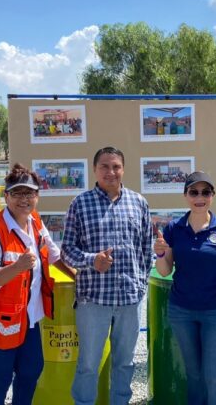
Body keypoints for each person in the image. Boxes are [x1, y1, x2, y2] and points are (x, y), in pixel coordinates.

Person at [0, 164, 76, 405]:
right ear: (5, 196)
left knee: (31, 370)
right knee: (0, 378)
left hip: (27, 318)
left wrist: (77, 277)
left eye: (29, 193)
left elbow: (54, 254)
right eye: (17, 193)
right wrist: (17, 267)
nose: (23, 199)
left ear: (37, 196)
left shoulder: (35, 221)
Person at [61, 147, 153, 405]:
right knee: (88, 364)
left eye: (116, 166)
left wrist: (140, 283)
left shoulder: (139, 202)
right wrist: (92, 260)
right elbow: (67, 250)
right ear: (94, 170)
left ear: (123, 169)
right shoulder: (80, 203)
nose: (110, 172)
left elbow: (146, 250)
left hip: (129, 301)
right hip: (93, 300)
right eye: (104, 166)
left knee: (125, 363)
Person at [153, 171, 216, 405]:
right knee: (193, 376)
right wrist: (160, 252)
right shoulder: (174, 228)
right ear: (186, 195)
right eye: (194, 192)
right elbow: (165, 270)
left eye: (205, 192)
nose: (199, 197)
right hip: (181, 311)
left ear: (212, 196)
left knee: (214, 378)